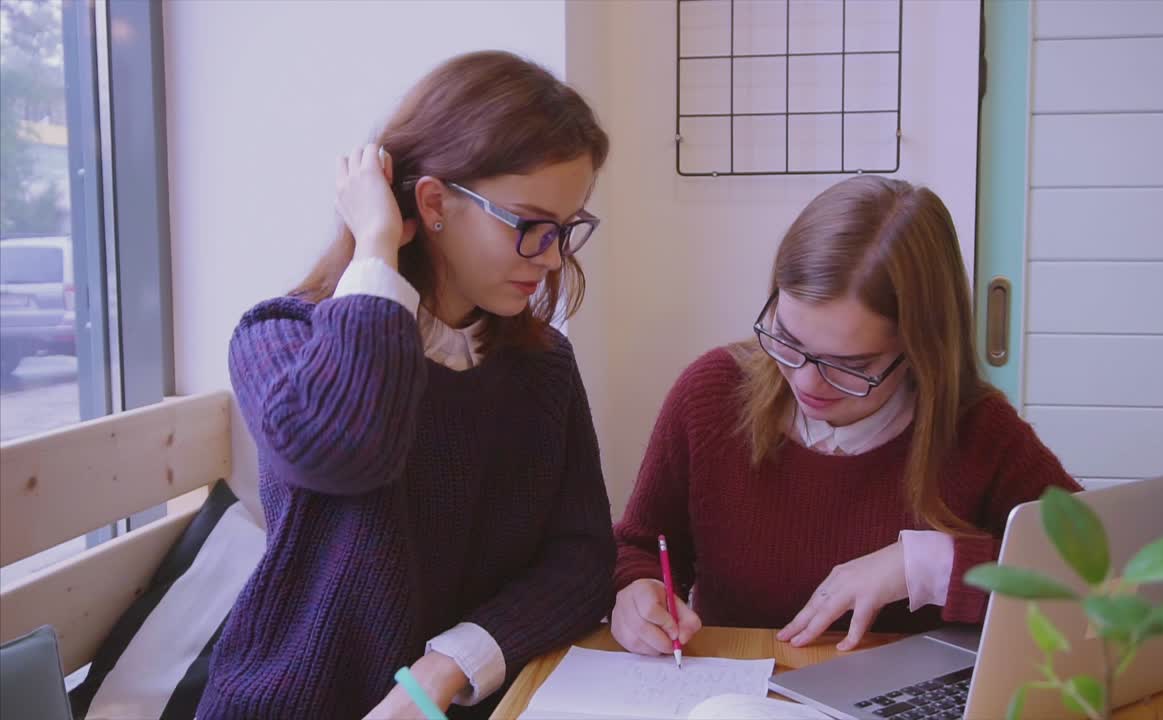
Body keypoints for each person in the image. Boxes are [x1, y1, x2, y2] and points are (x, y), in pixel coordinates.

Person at [198, 51, 615, 720]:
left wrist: (446, 669)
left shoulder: (543, 366)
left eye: (566, 230)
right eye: (530, 225)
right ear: (434, 202)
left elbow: (583, 561)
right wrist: (375, 248)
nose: (553, 257)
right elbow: (344, 455)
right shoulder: (280, 336)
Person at [610, 175, 1080, 660]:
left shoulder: (978, 432)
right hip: (736, 690)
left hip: (899, 695)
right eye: (787, 340)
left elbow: (1101, 579)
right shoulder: (712, 393)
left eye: (849, 366)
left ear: (921, 349)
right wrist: (635, 591)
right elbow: (640, 546)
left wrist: (927, 565)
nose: (806, 382)